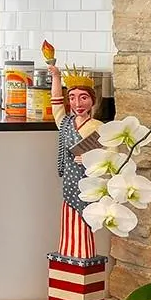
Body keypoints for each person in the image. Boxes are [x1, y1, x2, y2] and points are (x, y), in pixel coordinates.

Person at [50, 58, 104, 260]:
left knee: (86, 218)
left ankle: (84, 255)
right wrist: (56, 76)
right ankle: (68, 254)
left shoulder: (97, 126)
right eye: (72, 98)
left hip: (88, 182)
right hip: (69, 183)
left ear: (92, 101)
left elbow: (111, 154)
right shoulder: (65, 123)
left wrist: (91, 159)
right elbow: (56, 102)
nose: (77, 103)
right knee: (69, 219)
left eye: (83, 98)